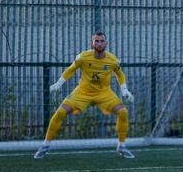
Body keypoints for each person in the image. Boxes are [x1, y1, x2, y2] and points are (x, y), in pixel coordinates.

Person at [34, 31, 136, 159]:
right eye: (96, 41)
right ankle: (45, 145)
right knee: (60, 112)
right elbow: (71, 69)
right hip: (82, 92)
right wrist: (58, 84)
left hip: (104, 93)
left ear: (106, 43)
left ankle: (122, 146)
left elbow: (119, 74)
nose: (99, 43)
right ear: (92, 43)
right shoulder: (83, 57)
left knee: (123, 112)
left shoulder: (112, 60)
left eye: (101, 41)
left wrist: (124, 90)